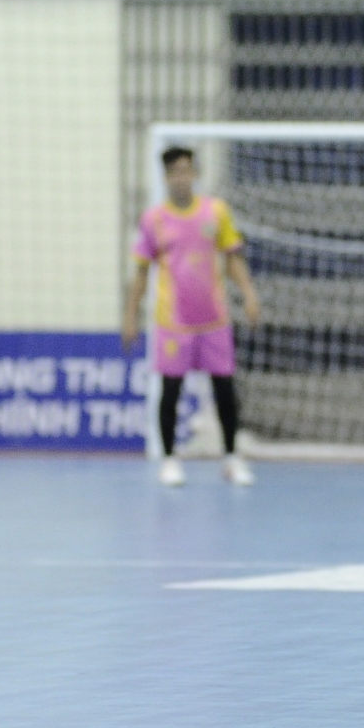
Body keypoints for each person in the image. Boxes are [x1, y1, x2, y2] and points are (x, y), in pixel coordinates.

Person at [124, 147, 261, 488]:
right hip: (174, 322)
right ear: (166, 177)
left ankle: (231, 458)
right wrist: (130, 314)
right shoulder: (154, 220)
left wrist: (248, 294)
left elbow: (233, 258)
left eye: (187, 170)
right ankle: (170, 460)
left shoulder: (215, 212)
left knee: (225, 390)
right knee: (171, 391)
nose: (182, 177)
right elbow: (141, 272)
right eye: (175, 172)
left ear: (196, 174)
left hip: (214, 318)